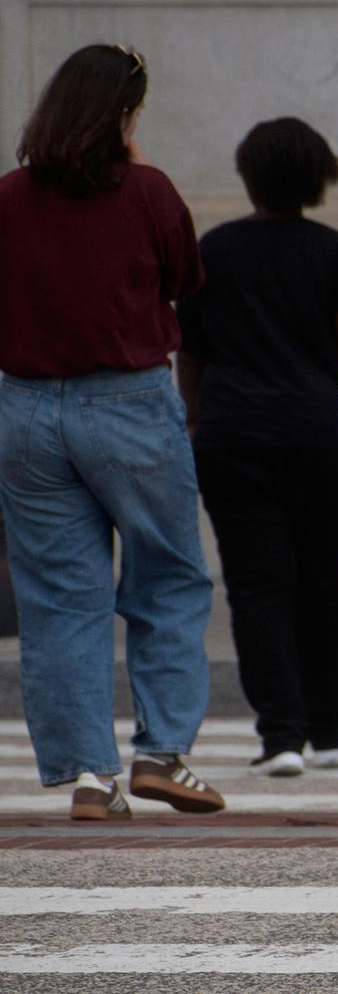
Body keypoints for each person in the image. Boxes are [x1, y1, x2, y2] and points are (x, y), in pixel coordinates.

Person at [0, 43, 224, 821]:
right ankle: (162, 753)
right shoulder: (149, 192)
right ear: (125, 114)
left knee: (62, 596)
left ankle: (91, 776)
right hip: (128, 401)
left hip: (25, 409)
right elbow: (181, 283)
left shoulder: (9, 198)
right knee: (167, 575)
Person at [177, 117, 338, 777]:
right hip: (323, 437)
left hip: (236, 438)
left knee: (258, 585)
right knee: (326, 581)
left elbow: (194, 352)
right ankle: (332, 732)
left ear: (249, 177)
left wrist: (197, 421)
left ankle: (281, 736)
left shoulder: (218, 250)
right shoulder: (337, 252)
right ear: (320, 177)